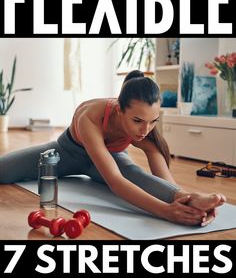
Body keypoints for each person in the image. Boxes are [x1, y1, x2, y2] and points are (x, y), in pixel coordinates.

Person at [0, 70, 226, 226]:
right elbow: (115, 181)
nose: (145, 129)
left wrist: (182, 198)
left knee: (135, 174)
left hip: (113, 157)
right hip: (67, 153)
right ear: (119, 109)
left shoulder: (143, 126)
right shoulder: (90, 116)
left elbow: (154, 157)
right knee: (3, 170)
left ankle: (195, 196)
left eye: (153, 121)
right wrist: (165, 211)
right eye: (137, 121)